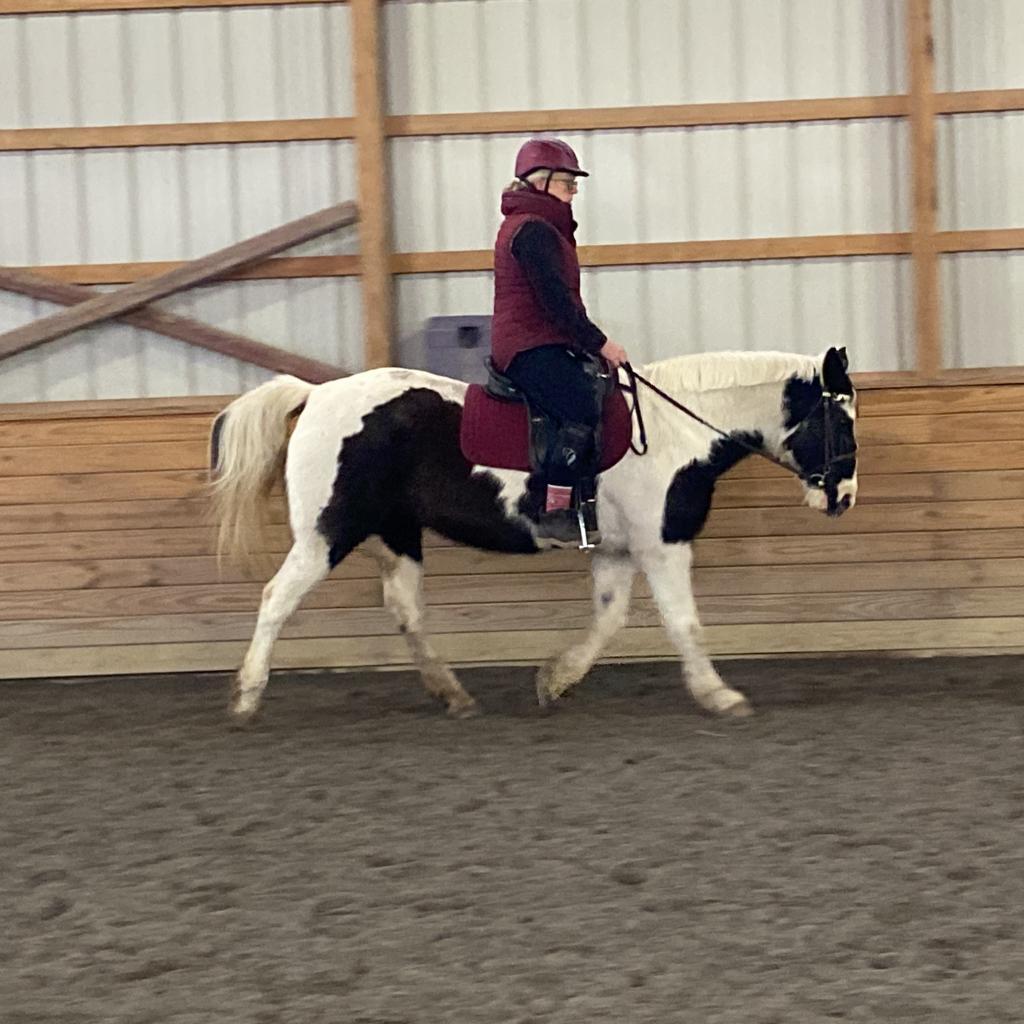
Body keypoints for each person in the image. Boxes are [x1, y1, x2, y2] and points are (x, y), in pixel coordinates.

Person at [490, 137, 628, 546]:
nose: (573, 192)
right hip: (528, 344)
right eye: (567, 183)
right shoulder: (532, 231)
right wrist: (601, 343)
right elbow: (555, 301)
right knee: (580, 404)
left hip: (542, 338)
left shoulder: (542, 226)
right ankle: (554, 508)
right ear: (540, 181)